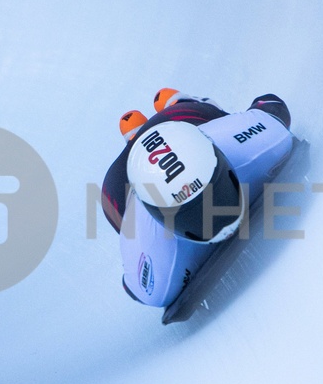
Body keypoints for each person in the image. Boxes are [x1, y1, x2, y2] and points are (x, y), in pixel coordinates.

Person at [102, 88, 293, 307]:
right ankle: (150, 124)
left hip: (185, 121)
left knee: (200, 115)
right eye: (194, 215)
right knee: (114, 202)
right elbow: (270, 107)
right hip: (124, 182)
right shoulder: (154, 266)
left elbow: (272, 109)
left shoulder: (256, 142)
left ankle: (169, 110)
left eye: (217, 194)